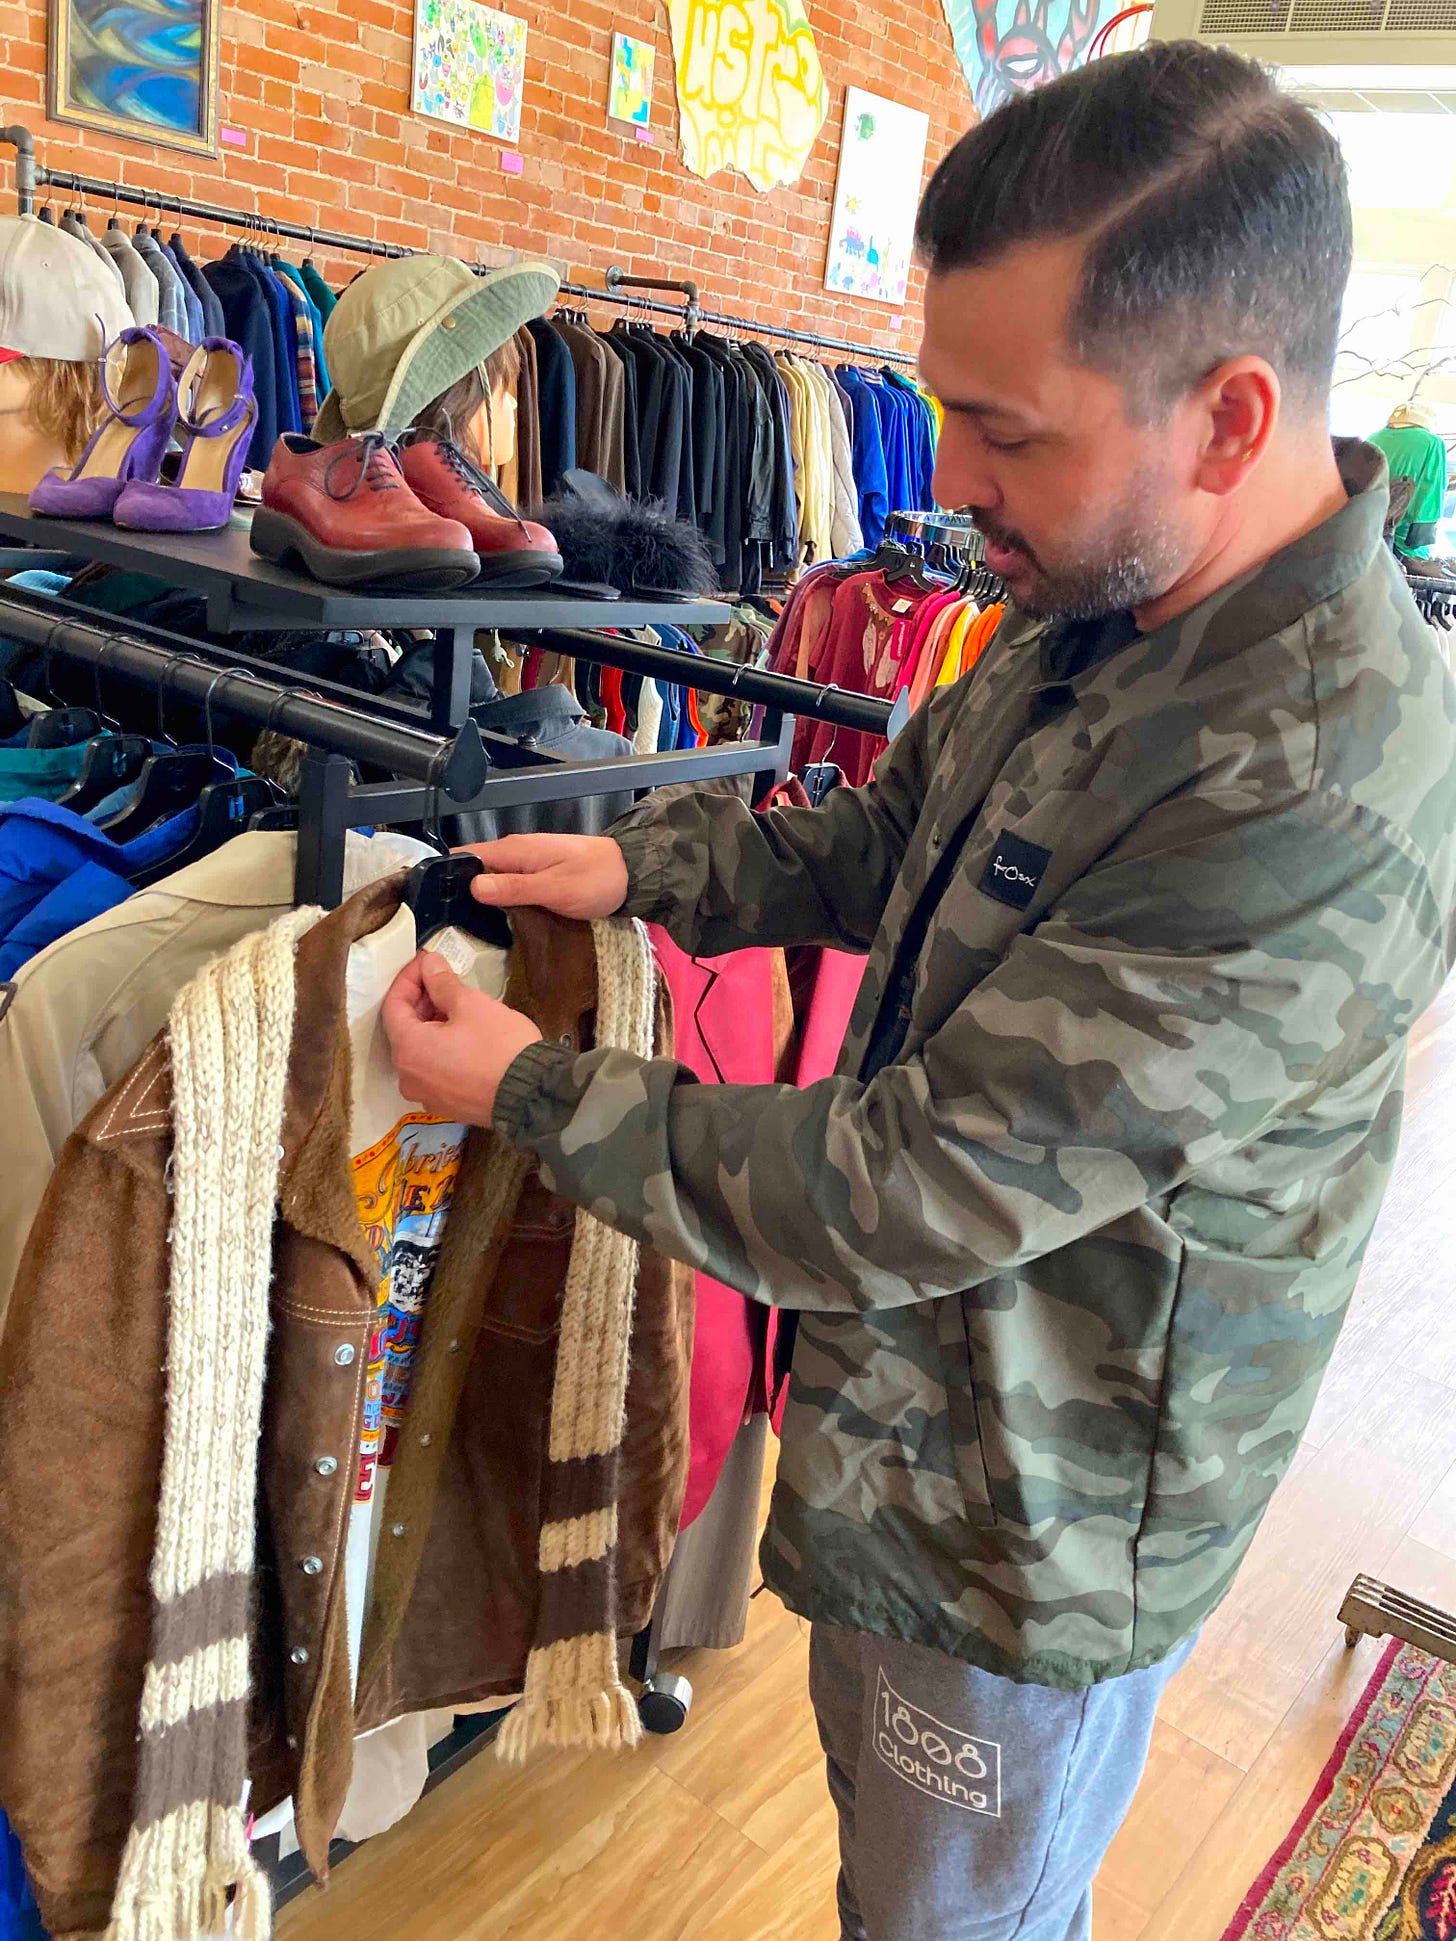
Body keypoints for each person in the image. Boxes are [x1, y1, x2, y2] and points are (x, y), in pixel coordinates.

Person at [382, 42, 1456, 1941]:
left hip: (1024, 1548)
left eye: (1006, 429)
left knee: (958, 1915)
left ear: (1226, 419)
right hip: (915, 1452)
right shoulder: (1113, 600)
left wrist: (533, 1094)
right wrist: (651, 863)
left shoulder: (1310, 779)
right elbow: (898, 837)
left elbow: (904, 1184)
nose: (946, 482)